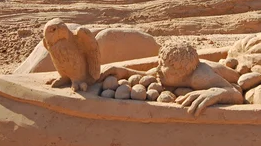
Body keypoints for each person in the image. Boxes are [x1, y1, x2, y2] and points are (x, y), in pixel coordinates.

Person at [101, 41, 242, 115]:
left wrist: (215, 93)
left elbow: (236, 93)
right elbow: (148, 76)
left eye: (163, 66)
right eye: (160, 63)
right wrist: (124, 72)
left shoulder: (201, 78)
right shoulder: (168, 74)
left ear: (181, 72)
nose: (157, 69)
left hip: (229, 77)